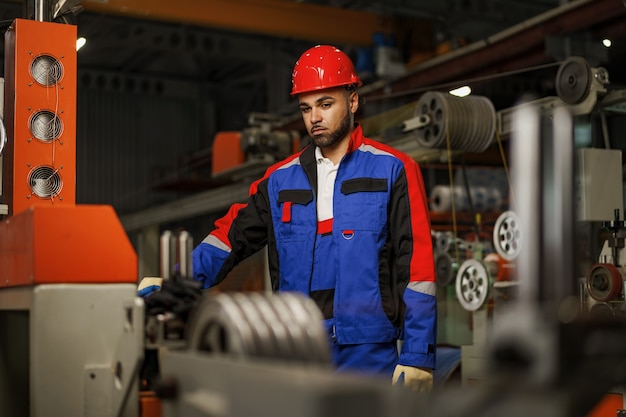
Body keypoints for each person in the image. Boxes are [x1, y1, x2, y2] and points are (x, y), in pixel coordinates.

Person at [191, 44, 436, 391]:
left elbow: (418, 269)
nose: (314, 118)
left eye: (325, 104)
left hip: (367, 350)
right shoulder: (279, 180)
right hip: (296, 348)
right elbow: (231, 236)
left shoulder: (393, 169)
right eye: (306, 108)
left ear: (352, 101)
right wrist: (179, 278)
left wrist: (417, 354)